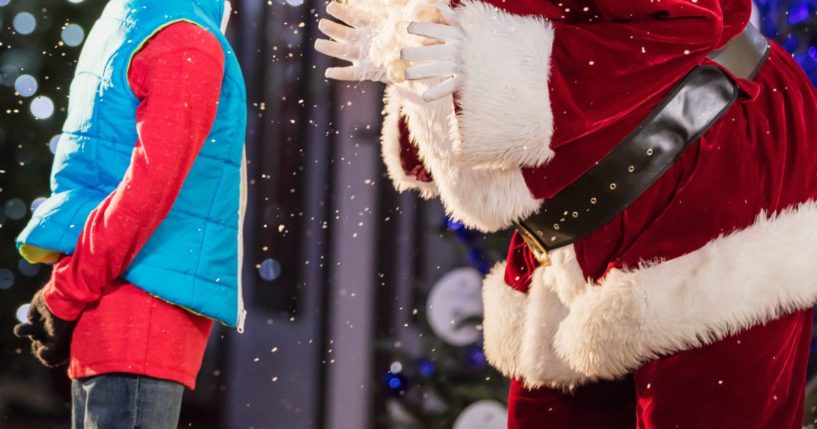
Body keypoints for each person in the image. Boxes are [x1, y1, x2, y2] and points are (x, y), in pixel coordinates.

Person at [316, 0, 817, 427]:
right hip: (574, 225)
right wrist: (407, 65)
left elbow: (689, 20)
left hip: (716, 174)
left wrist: (482, 65)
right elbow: (470, 142)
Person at [12, 0, 247, 427]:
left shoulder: (128, 20)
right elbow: (145, 194)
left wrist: (67, 291)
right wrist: (67, 293)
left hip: (106, 305)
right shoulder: (183, 38)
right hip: (139, 315)